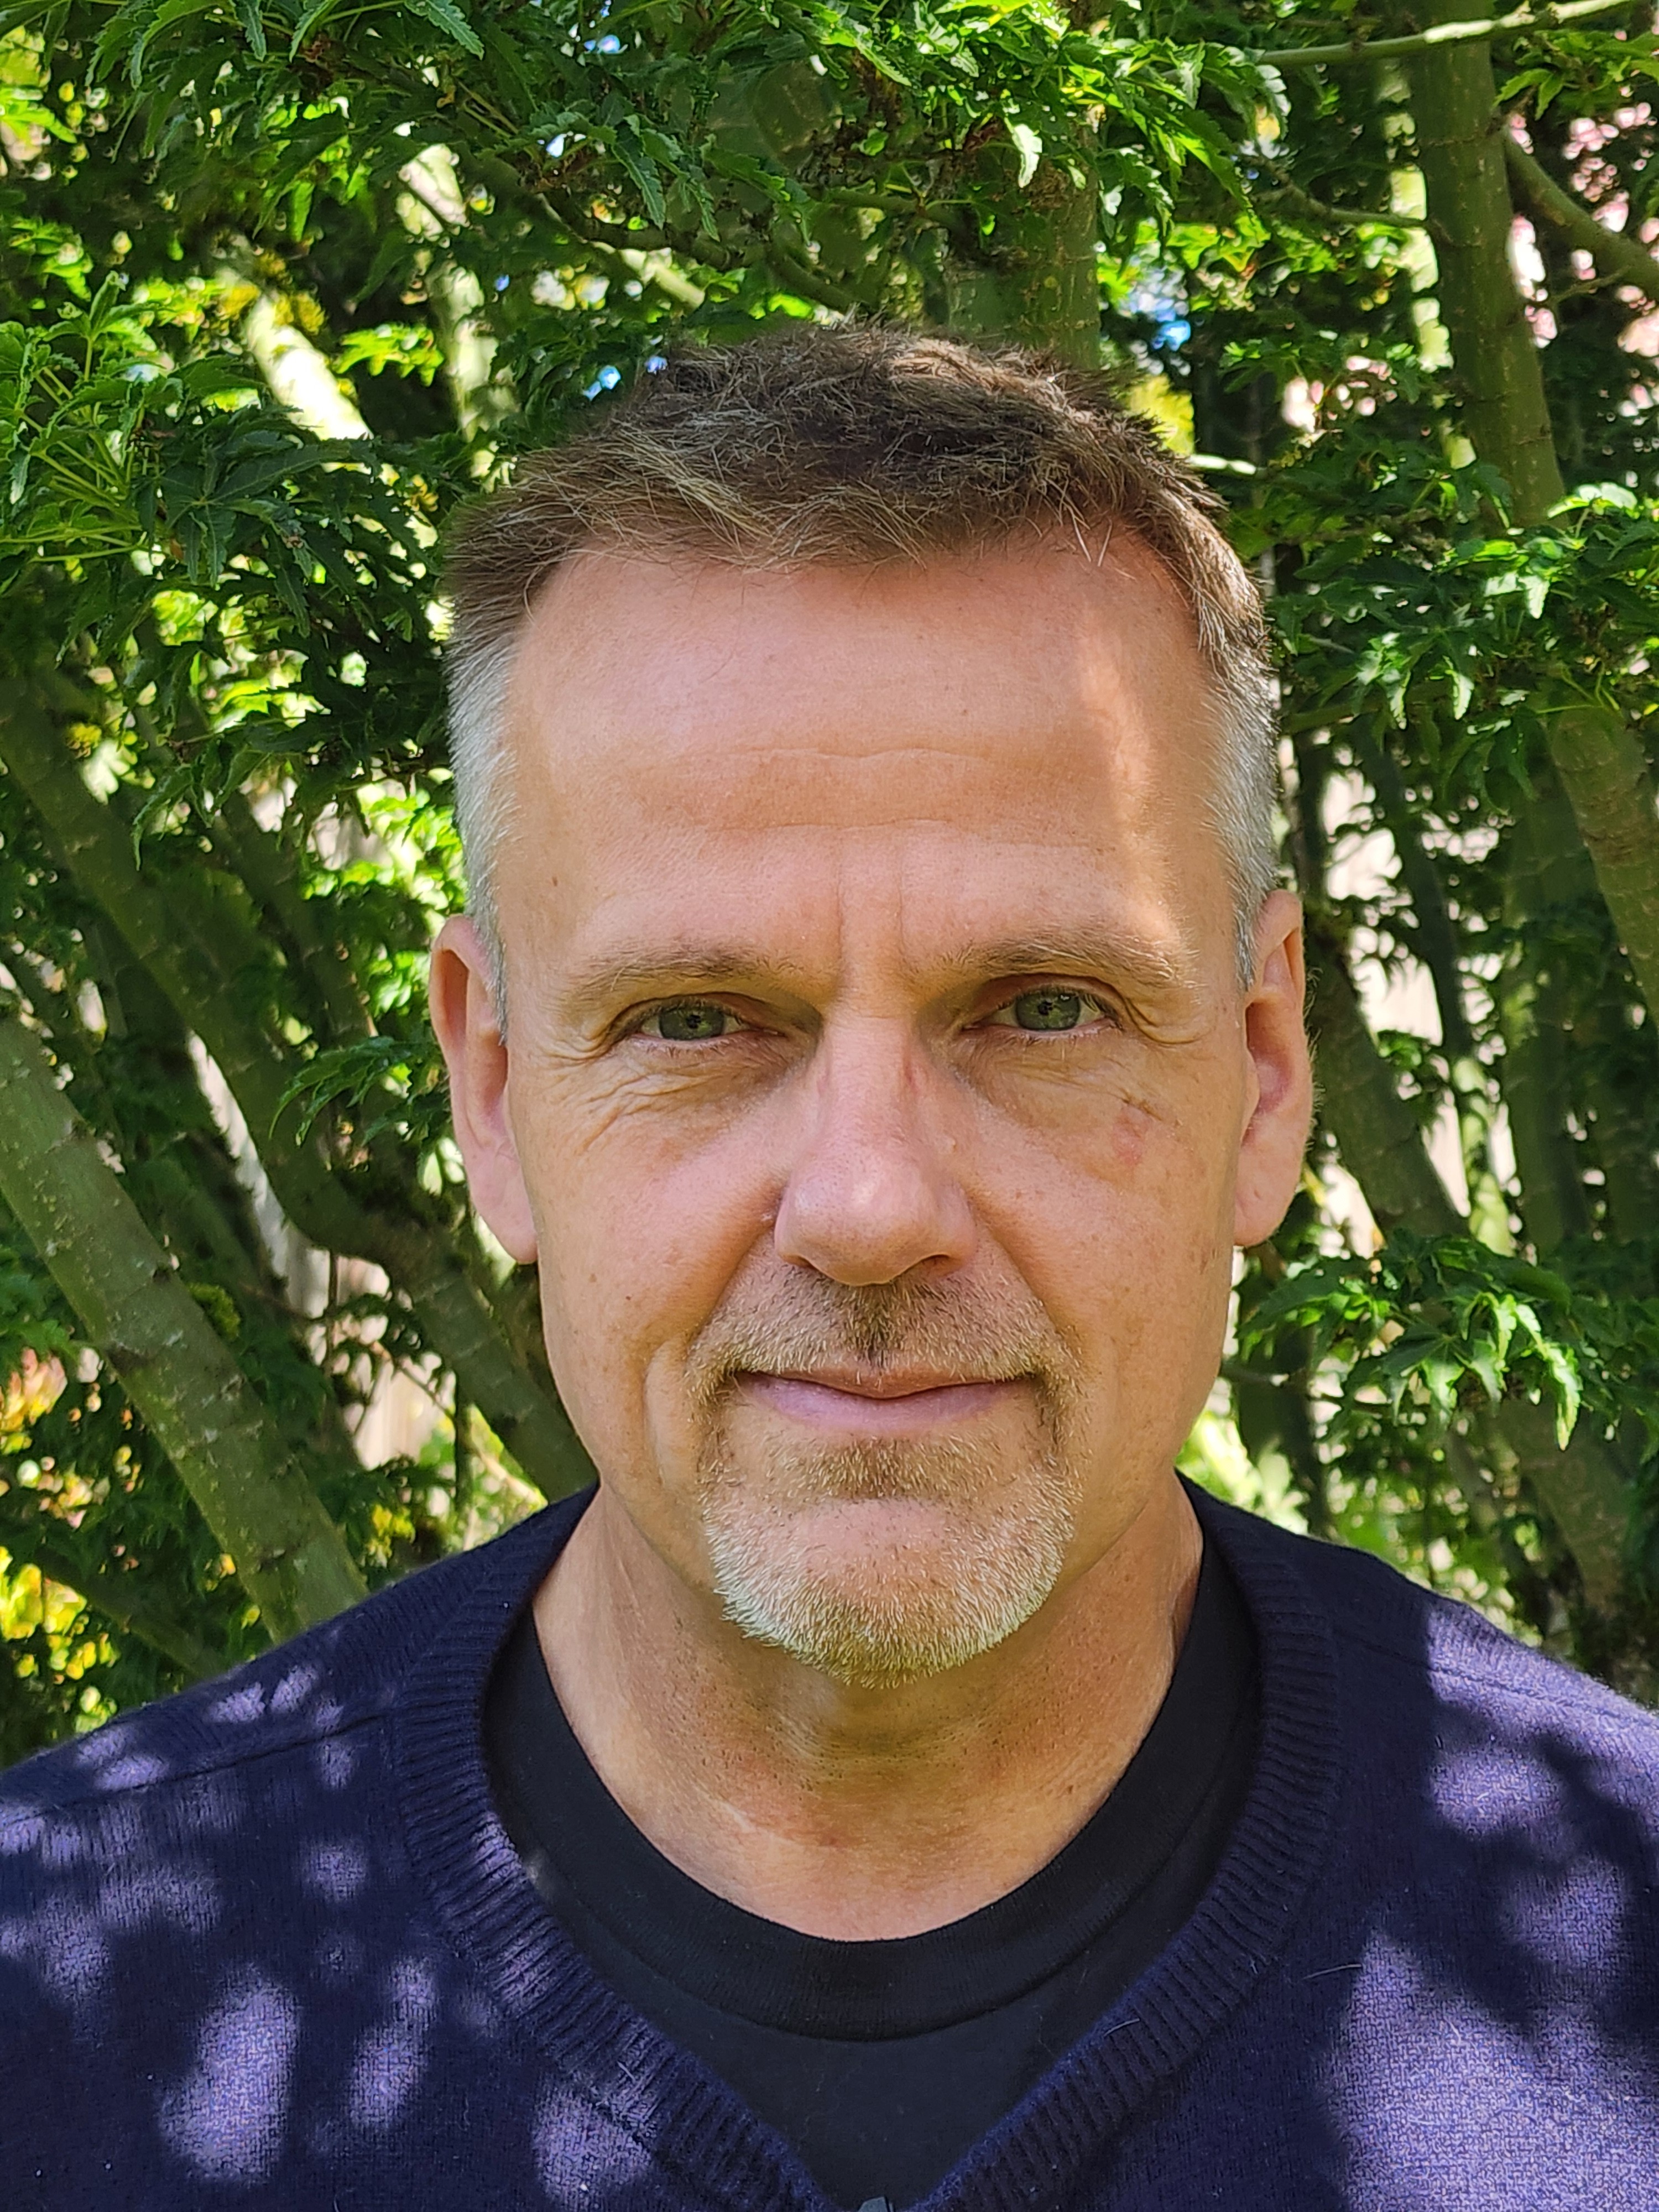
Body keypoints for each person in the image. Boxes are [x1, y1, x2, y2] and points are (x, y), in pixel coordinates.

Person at [2, 328, 1657, 2212]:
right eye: (698, 1019)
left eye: (1045, 1007)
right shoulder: (58, 2012)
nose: (871, 1207)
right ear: (493, 1090)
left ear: (1265, 1071)